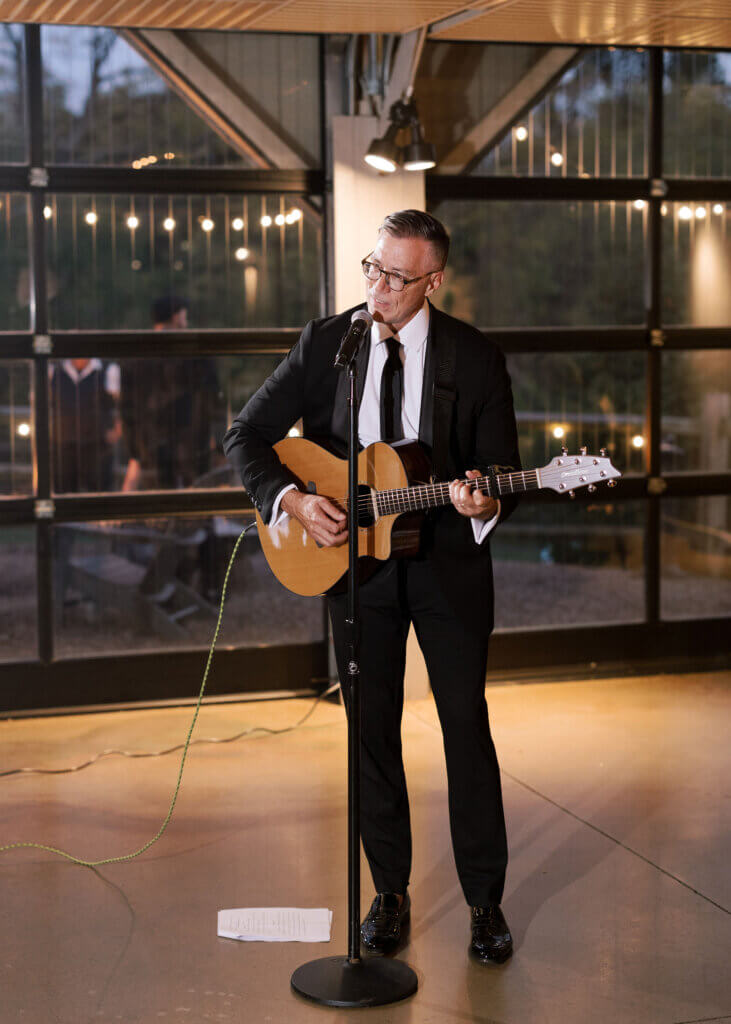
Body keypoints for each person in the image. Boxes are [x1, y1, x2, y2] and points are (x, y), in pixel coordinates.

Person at [223, 210, 521, 965]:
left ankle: (485, 903)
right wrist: (291, 501)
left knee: (465, 730)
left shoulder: (475, 357)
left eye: (396, 277)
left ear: (432, 281)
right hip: (352, 571)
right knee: (371, 735)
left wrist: (486, 498)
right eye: (373, 268)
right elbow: (246, 437)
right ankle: (387, 894)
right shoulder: (329, 341)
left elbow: (498, 469)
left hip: (447, 566)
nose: (378, 287)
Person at [120, 296, 224, 491]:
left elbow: (127, 407)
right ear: (177, 316)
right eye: (184, 315)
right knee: (196, 499)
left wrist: (134, 448)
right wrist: (219, 444)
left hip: (151, 443)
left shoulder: (135, 356)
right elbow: (212, 401)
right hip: (191, 442)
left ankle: (164, 521)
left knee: (160, 502)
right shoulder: (198, 354)